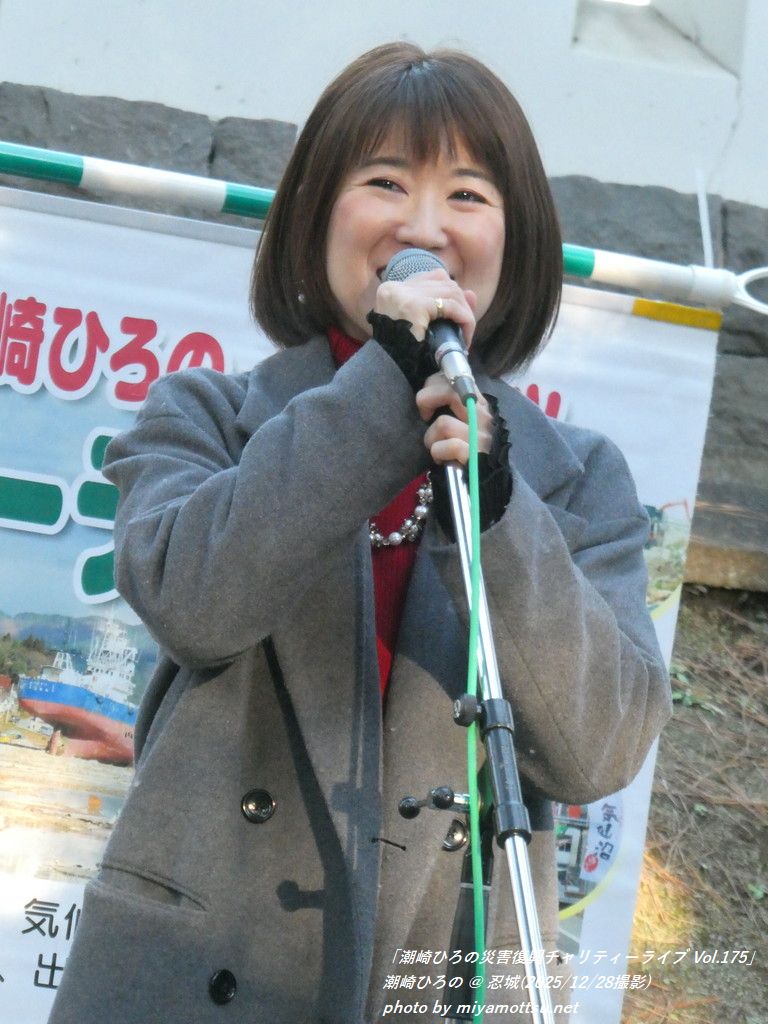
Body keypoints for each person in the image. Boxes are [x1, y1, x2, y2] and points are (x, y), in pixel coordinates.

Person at [49, 42, 670, 1024]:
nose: (423, 226)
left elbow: (600, 749)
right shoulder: (205, 415)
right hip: (194, 974)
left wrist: (499, 509)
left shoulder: (576, 479)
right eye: (385, 182)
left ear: (515, 242)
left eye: (467, 194)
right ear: (317, 215)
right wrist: (388, 377)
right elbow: (193, 601)